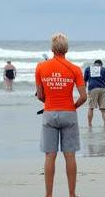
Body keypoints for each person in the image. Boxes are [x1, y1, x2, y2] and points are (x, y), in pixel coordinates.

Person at [35, 32, 87, 197]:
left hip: (49, 113)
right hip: (69, 113)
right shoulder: (75, 69)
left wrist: (50, 103)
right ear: (66, 49)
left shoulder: (41, 67)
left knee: (50, 155)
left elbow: (40, 95)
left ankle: (48, 195)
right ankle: (72, 194)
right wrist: (72, 106)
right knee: (70, 155)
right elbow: (84, 96)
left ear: (52, 48)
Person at [84, 59, 105, 128]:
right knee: (103, 109)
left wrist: (83, 91)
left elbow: (84, 81)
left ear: (94, 64)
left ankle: (89, 124)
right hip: (103, 89)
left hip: (93, 89)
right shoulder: (104, 69)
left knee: (91, 108)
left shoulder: (88, 69)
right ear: (101, 65)